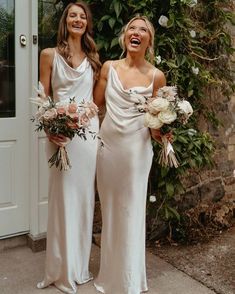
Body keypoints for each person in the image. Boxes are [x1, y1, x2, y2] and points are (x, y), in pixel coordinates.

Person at [94, 15, 166, 293]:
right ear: (125, 37)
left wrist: (165, 132)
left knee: (132, 210)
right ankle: (110, 275)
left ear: (149, 40)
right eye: (131, 29)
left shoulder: (156, 76)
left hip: (137, 151)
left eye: (143, 30)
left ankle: (130, 280)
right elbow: (95, 104)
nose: (136, 32)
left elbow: (155, 123)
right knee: (111, 210)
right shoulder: (108, 68)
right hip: (109, 147)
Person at [36, 2, 101, 293]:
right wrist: (50, 128)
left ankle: (79, 267)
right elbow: (43, 96)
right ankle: (61, 270)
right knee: (62, 198)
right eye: (73, 15)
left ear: (87, 23)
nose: (78, 19)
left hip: (87, 136)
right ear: (65, 21)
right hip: (59, 135)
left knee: (84, 199)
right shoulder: (49, 55)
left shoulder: (93, 56)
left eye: (82, 16)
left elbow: (94, 100)